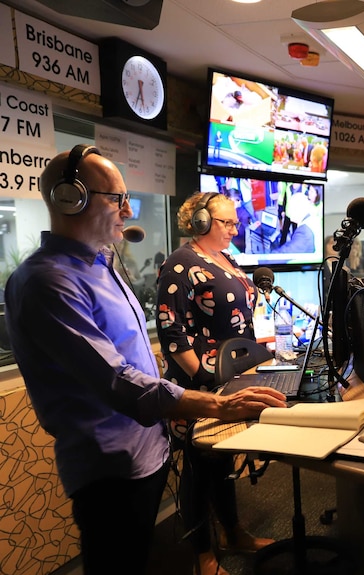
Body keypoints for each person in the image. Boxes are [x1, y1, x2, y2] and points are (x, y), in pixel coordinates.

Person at [4, 146, 286, 575]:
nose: (128, 208)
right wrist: (216, 403)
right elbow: (116, 380)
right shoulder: (48, 282)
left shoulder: (103, 265)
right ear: (70, 198)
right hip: (109, 467)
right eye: (117, 198)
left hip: (146, 450)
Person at [157, 191, 272, 575]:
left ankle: (233, 533)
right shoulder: (181, 263)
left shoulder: (225, 259)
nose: (234, 229)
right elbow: (170, 328)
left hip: (231, 378)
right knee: (198, 469)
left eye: (236, 222)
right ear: (201, 221)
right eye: (227, 222)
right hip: (199, 383)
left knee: (222, 460)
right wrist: (201, 376)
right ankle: (203, 556)